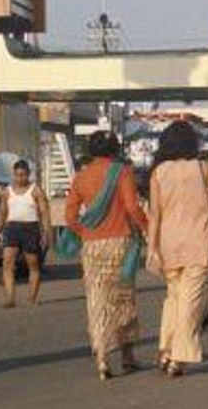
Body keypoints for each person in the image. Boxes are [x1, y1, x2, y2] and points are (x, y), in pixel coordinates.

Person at [64, 130, 149, 380]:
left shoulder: (81, 177)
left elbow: (70, 217)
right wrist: (147, 227)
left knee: (97, 298)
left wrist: (86, 231)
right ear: (115, 149)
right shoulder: (122, 172)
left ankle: (101, 357)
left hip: (92, 245)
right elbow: (133, 207)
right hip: (121, 242)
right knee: (123, 298)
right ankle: (127, 356)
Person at [147, 122, 208, 378]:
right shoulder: (204, 169)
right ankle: (178, 357)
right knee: (190, 299)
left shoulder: (159, 172)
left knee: (174, 297)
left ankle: (166, 347)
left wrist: (152, 249)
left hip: (168, 243)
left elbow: (155, 216)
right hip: (198, 240)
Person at [0, 159, 52, 307]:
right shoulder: (6, 192)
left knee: (33, 265)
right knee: (7, 263)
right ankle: (10, 298)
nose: (20, 178)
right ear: (13, 175)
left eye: (23, 175)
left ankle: (32, 298)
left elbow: (44, 212)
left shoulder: (36, 190)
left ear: (28, 174)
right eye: (17, 175)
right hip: (12, 228)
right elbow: (2, 212)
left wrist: (46, 233)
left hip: (30, 229)